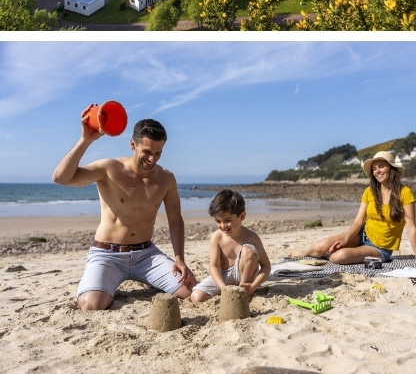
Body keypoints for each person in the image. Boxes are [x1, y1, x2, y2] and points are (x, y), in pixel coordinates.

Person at [52, 109, 196, 310]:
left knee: (192, 292)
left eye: (158, 153)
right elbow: (61, 178)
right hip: (107, 255)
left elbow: (175, 220)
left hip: (146, 255)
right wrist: (86, 140)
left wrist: (179, 258)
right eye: (146, 152)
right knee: (90, 305)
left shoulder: (166, 179)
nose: (152, 159)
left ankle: (149, 278)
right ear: (132, 145)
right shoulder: (109, 168)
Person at [287, 151, 416, 265]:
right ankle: (305, 253)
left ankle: (332, 255)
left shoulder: (405, 193)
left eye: (381, 166)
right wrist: (346, 240)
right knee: (320, 246)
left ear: (392, 169)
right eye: (374, 168)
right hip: (361, 235)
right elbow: (359, 221)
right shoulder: (369, 191)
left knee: (338, 257)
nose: (377, 171)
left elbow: (411, 228)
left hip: (380, 249)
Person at [190, 189, 272, 303]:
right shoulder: (217, 237)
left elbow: (266, 266)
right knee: (196, 297)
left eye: (227, 220)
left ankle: (244, 293)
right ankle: (229, 290)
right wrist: (223, 288)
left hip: (244, 277)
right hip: (223, 276)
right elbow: (214, 267)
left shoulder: (252, 237)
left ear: (242, 216)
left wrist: (253, 286)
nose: (223, 225)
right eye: (218, 221)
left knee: (248, 250)